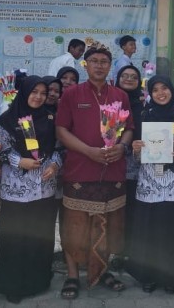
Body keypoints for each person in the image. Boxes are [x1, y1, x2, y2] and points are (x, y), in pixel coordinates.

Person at [55, 43, 134, 298]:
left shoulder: (120, 96)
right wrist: (88, 151)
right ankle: (72, 275)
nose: (99, 65)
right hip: (80, 168)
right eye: (94, 61)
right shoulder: (72, 94)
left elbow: (129, 128)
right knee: (75, 226)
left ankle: (102, 270)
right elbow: (61, 130)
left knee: (108, 224)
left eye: (104, 62)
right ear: (85, 65)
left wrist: (122, 147)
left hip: (113, 169)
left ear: (110, 66)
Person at [127, 75, 174, 294]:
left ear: (172, 90)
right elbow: (135, 152)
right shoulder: (144, 115)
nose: (160, 93)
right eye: (155, 89)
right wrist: (136, 148)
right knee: (151, 230)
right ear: (150, 93)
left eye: (164, 88)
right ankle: (148, 275)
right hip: (151, 181)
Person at [0, 76, 61, 304]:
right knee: (16, 237)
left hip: (44, 187)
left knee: (41, 236)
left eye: (43, 93)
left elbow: (59, 147)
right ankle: (13, 285)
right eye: (34, 92)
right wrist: (18, 161)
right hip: (17, 188)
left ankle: (39, 280)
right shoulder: (6, 119)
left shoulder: (50, 118)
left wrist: (55, 164)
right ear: (23, 93)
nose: (39, 97)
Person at [114, 64, 144, 269]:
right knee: (117, 210)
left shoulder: (144, 105)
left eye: (134, 76)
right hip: (113, 161)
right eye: (124, 75)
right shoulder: (111, 102)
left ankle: (132, 252)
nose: (129, 79)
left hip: (136, 164)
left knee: (133, 209)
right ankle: (117, 251)